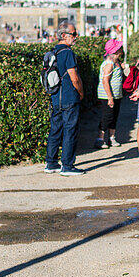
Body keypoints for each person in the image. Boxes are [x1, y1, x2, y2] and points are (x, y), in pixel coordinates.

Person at [44, 23, 85, 176]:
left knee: (55, 130)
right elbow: (74, 78)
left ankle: (51, 163)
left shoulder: (54, 51)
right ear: (64, 35)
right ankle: (67, 166)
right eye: (74, 34)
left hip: (56, 97)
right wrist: (81, 92)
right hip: (69, 96)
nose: (76, 37)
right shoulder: (68, 52)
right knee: (70, 131)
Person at [96, 39, 125, 149]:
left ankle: (112, 137)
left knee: (114, 116)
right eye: (120, 48)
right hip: (107, 95)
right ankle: (100, 138)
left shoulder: (116, 62)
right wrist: (110, 98)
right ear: (116, 50)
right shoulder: (109, 64)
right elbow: (105, 81)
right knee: (107, 116)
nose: (122, 50)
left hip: (116, 95)